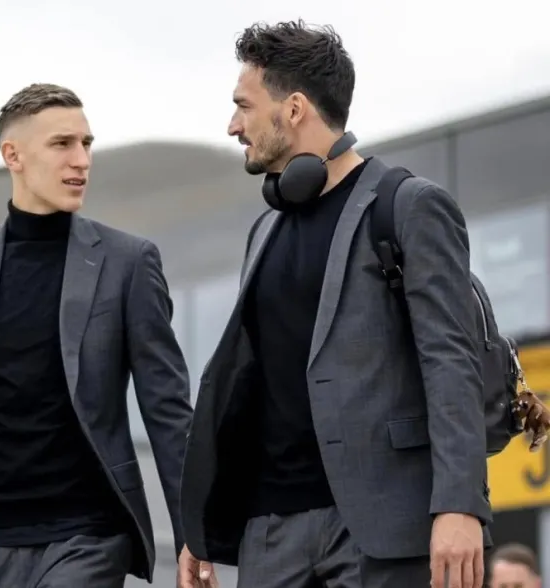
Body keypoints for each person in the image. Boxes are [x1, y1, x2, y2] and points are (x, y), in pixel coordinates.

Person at [179, 20, 492, 588]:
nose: (233, 125)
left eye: (243, 106)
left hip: (381, 528)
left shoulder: (408, 206)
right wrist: (197, 526)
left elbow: (452, 364)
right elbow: (247, 384)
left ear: (293, 108)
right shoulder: (263, 231)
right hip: (270, 532)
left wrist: (459, 504)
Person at [0, 83, 199, 588]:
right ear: (12, 155)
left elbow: (167, 408)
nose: (81, 160)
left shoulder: (128, 262)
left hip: (85, 536)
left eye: (86, 143)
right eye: (62, 144)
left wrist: (195, 534)